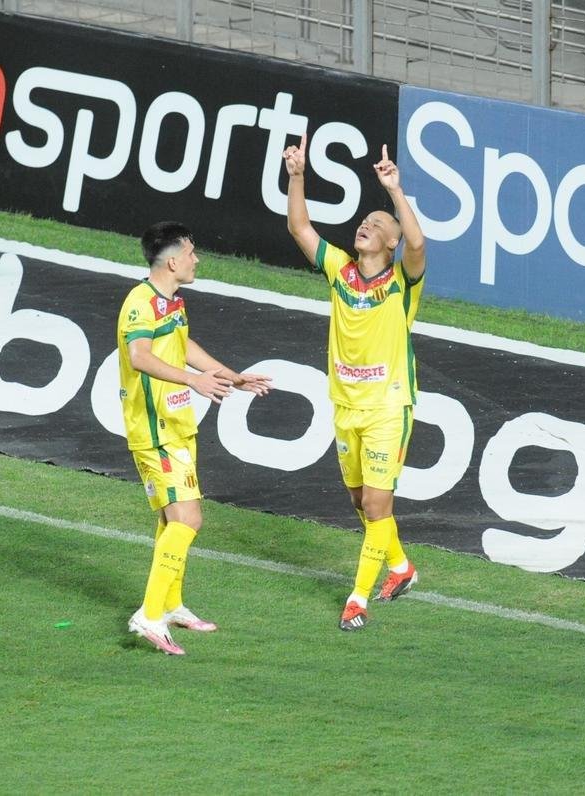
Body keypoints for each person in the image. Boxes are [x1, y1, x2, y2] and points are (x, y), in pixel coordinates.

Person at [283, 135, 427, 631]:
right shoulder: (340, 271)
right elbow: (299, 226)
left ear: (390, 242)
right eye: (365, 222)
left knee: (375, 504)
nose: (367, 226)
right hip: (345, 406)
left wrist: (394, 193)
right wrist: (298, 175)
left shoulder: (402, 282)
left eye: (378, 225)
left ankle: (357, 599)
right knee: (357, 502)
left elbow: (418, 244)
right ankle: (402, 567)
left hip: (389, 406)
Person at [117, 221, 271, 656]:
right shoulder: (140, 302)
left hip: (177, 423)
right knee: (188, 521)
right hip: (154, 429)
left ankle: (169, 604)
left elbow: (183, 346)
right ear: (171, 261)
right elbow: (139, 356)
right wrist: (195, 381)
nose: (196, 258)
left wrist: (230, 376)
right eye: (190, 252)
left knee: (172, 521)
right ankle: (148, 615)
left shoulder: (172, 303)